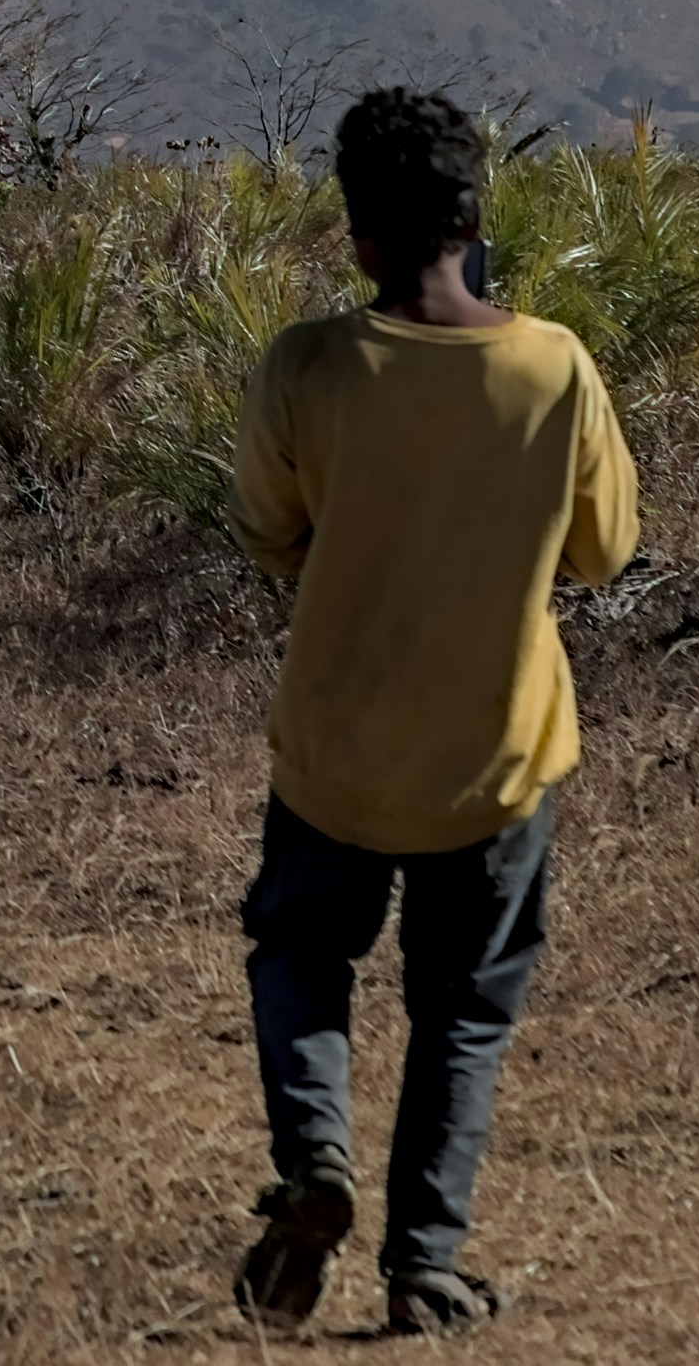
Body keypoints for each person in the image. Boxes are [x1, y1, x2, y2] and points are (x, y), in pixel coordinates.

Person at [226, 86, 641, 1332]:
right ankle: (423, 1266)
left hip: (335, 755)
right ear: (474, 216)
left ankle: (314, 1164)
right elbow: (604, 552)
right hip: (496, 754)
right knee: (460, 1008)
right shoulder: (553, 367)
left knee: (302, 954)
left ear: (356, 234)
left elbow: (268, 534)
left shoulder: (306, 365)